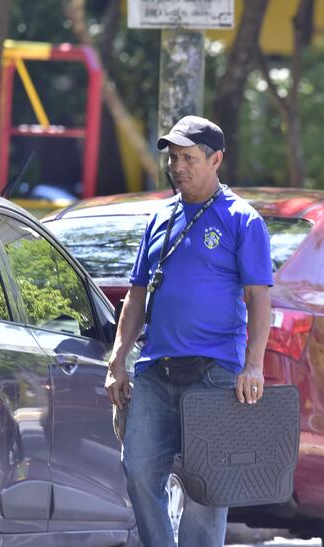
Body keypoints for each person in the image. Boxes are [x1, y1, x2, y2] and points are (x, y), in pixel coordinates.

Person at [105, 115, 273, 547]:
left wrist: (253, 366)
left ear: (216, 159)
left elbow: (259, 300)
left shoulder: (242, 220)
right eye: (173, 157)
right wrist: (118, 358)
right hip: (156, 369)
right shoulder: (160, 217)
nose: (178, 166)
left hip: (215, 373)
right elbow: (137, 296)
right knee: (139, 467)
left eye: (189, 158)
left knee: (207, 489)